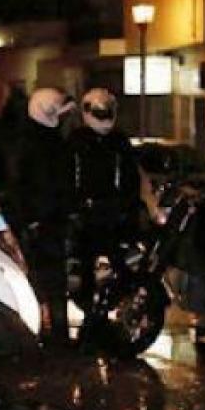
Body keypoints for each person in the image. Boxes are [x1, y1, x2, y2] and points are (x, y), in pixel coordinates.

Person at [6, 86, 76, 345]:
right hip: (40, 222)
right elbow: (21, 187)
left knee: (50, 280)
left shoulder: (45, 141)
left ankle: (53, 331)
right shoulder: (36, 144)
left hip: (48, 221)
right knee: (43, 279)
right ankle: (47, 331)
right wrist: (30, 218)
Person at [67, 88, 142, 323]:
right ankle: (91, 309)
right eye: (100, 113)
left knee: (122, 261)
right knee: (85, 261)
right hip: (87, 213)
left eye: (106, 112)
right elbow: (68, 177)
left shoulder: (118, 141)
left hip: (112, 212)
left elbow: (131, 178)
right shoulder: (77, 141)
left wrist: (129, 207)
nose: (104, 118)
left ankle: (115, 302)